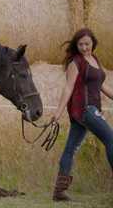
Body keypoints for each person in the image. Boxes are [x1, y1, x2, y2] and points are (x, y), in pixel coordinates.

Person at [50, 28, 113, 201]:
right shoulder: (76, 63)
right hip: (85, 109)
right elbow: (68, 88)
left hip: (89, 111)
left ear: (93, 42)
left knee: (71, 148)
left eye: (87, 44)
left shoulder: (94, 60)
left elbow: (101, 85)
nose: (84, 47)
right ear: (76, 45)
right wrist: (58, 113)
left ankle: (59, 192)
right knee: (111, 139)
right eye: (80, 44)